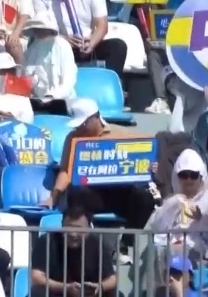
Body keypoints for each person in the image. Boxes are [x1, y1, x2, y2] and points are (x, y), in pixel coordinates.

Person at [46, 98, 155, 252]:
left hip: (120, 193)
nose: (80, 127)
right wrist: (53, 197)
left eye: (84, 123)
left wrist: (151, 165)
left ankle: (126, 245)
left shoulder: (122, 134)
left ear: (96, 117)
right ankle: (83, 245)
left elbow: (142, 158)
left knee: (144, 198)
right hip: (92, 193)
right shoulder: (73, 138)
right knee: (76, 192)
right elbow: (66, 171)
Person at [34, 0, 128, 79]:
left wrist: (92, 43)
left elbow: (102, 25)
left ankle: (109, 81)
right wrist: (63, 39)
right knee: (44, 48)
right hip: (57, 45)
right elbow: (41, 30)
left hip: (86, 42)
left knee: (118, 46)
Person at [146, 0, 208, 115]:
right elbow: (166, 26)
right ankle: (162, 100)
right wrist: (157, 39)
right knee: (154, 52)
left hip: (205, 46)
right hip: (178, 46)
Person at [145, 149, 208, 282]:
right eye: (183, 175)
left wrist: (201, 219)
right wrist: (171, 207)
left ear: (201, 176)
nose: (188, 179)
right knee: (158, 251)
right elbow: (157, 228)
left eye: (193, 175)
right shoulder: (172, 201)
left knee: (178, 251)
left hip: (199, 251)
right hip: (170, 248)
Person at [29, 205, 118, 297]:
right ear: (62, 226)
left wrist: (100, 287)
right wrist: (65, 288)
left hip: (89, 294)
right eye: (69, 228)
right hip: (57, 292)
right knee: (37, 292)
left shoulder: (98, 244)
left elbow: (112, 278)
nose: (73, 234)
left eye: (78, 229)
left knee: (114, 293)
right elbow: (36, 277)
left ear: (89, 229)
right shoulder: (46, 241)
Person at [22, 15, 77, 101]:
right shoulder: (31, 50)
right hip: (38, 100)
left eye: (41, 29)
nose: (39, 33)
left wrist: (53, 96)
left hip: (63, 100)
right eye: (37, 30)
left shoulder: (63, 46)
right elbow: (28, 76)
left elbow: (69, 80)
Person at [0, 52, 35, 123]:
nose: (9, 74)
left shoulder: (21, 96)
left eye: (12, 70)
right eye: (4, 71)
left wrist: (13, 119)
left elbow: (29, 120)